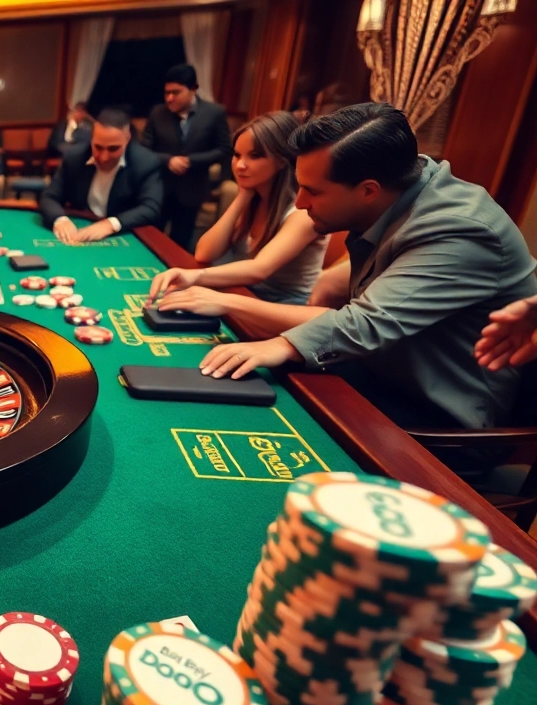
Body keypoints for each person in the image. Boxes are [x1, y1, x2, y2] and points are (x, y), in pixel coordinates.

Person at [178, 104, 535, 446]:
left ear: (368, 190)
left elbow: (369, 321)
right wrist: (331, 280)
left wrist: (280, 344)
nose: (299, 202)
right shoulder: (407, 185)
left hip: (438, 421)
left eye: (313, 191)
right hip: (380, 376)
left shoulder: (460, 229)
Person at [147, 111, 325, 306]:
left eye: (255, 156)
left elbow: (259, 270)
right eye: (237, 155)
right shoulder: (254, 198)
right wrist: (243, 196)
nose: (240, 165)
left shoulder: (302, 212)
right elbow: (205, 253)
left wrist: (194, 276)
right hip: (245, 296)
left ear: (282, 160)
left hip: (282, 309)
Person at [139, 64, 233, 248]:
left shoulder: (214, 113)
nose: (169, 98)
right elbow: (144, 150)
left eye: (176, 92)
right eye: (166, 93)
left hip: (192, 189)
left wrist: (192, 161)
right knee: (150, 239)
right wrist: (168, 160)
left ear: (193, 89)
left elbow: (224, 149)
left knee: (181, 243)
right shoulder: (157, 113)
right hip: (159, 187)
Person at [39, 108, 162, 243]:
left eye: (113, 149)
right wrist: (60, 219)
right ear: (92, 139)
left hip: (122, 238)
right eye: (98, 147)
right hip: (81, 228)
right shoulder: (74, 157)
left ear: (127, 139)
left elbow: (151, 208)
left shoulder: (145, 162)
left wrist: (111, 224)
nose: (104, 157)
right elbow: (49, 196)